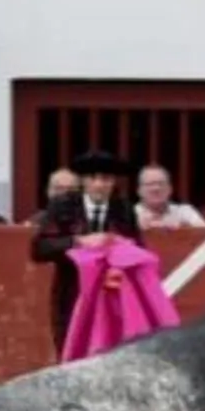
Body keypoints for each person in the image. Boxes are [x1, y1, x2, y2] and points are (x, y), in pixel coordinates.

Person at [29, 150, 142, 353]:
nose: (99, 184)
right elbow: (40, 249)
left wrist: (121, 246)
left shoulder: (124, 209)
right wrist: (79, 241)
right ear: (83, 181)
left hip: (110, 297)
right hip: (72, 294)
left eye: (106, 178)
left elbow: (139, 250)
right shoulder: (62, 206)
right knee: (72, 352)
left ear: (114, 182)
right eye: (93, 178)